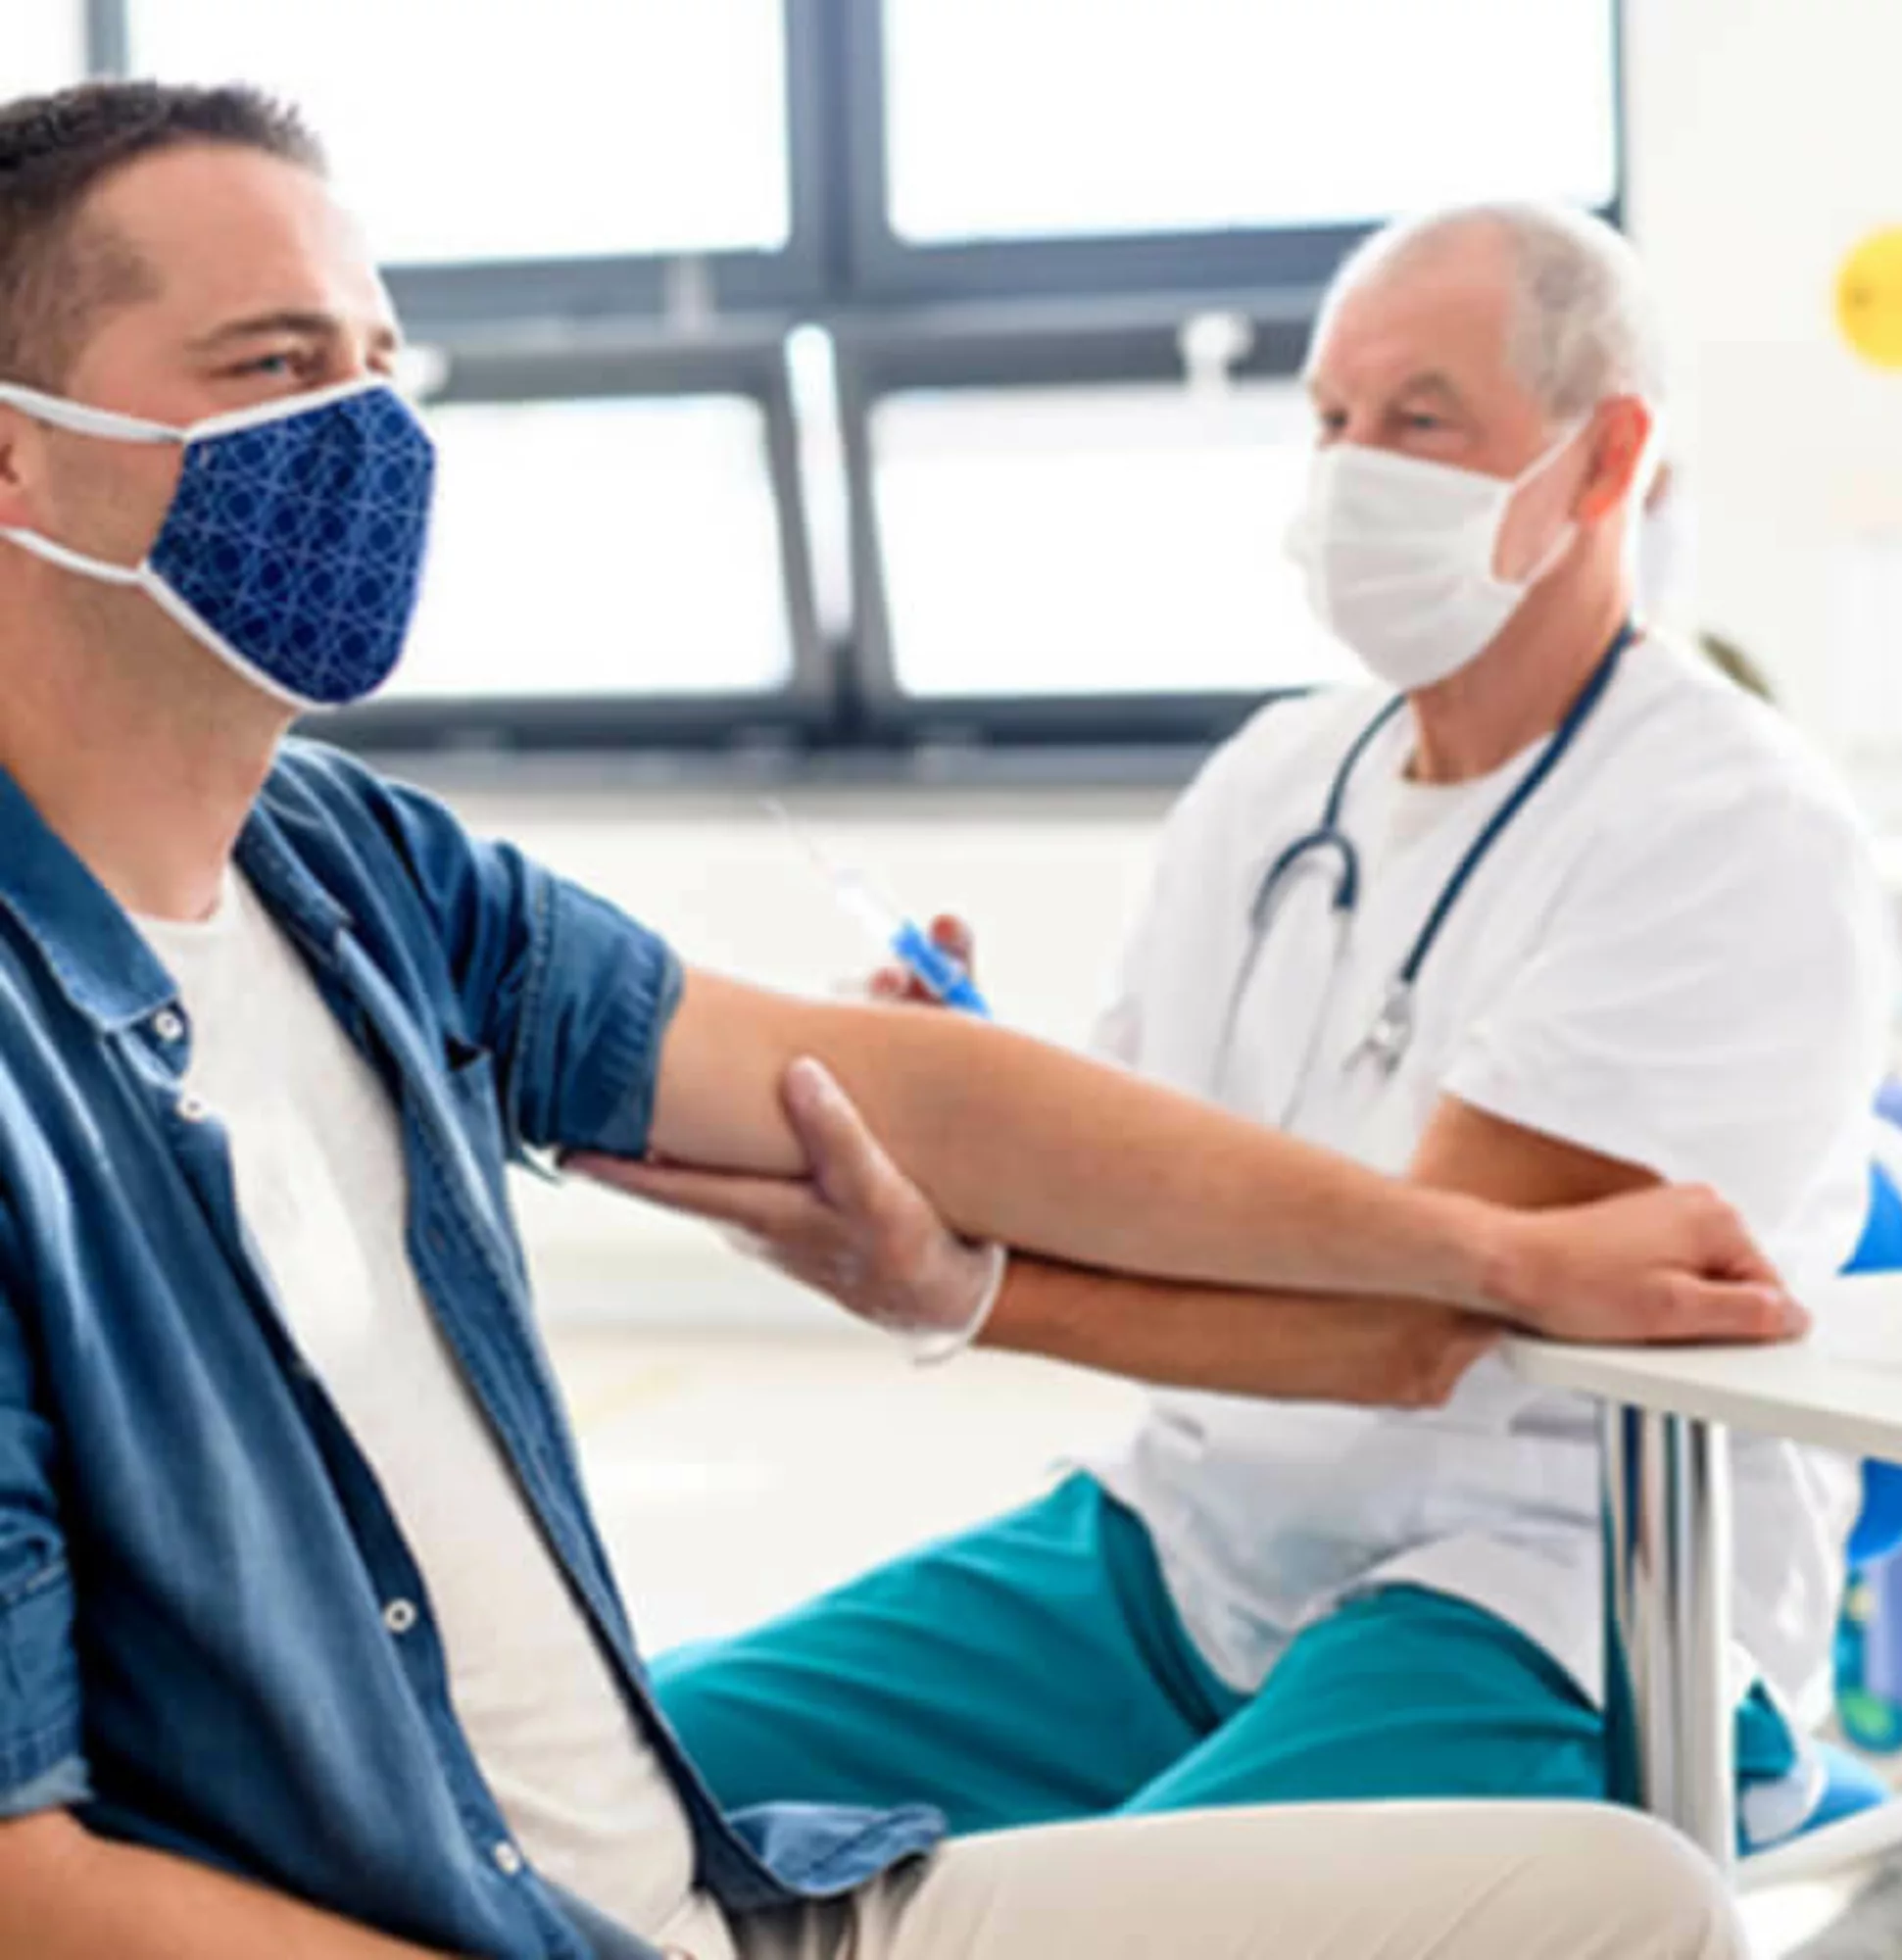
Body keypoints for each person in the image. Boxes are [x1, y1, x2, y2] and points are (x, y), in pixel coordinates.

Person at [0, 80, 1771, 1960]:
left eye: (380, 363)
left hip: (719, 1906)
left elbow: (896, 1096)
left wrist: (1492, 1250)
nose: (363, 438)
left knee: (1625, 1905)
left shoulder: (352, 872)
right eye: (274, 366)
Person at [635, 204, 1895, 1848]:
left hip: (1537, 1592)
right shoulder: (1278, 780)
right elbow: (1136, 1165)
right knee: (626, 1781)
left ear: (1606, 466)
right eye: (1329, 420)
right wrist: (971, 1113)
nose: (1350, 467)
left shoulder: (1729, 821)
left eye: (1419, 421)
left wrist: (976, 1280)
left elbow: (1419, 1320)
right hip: (1195, 1541)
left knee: (1113, 1922)